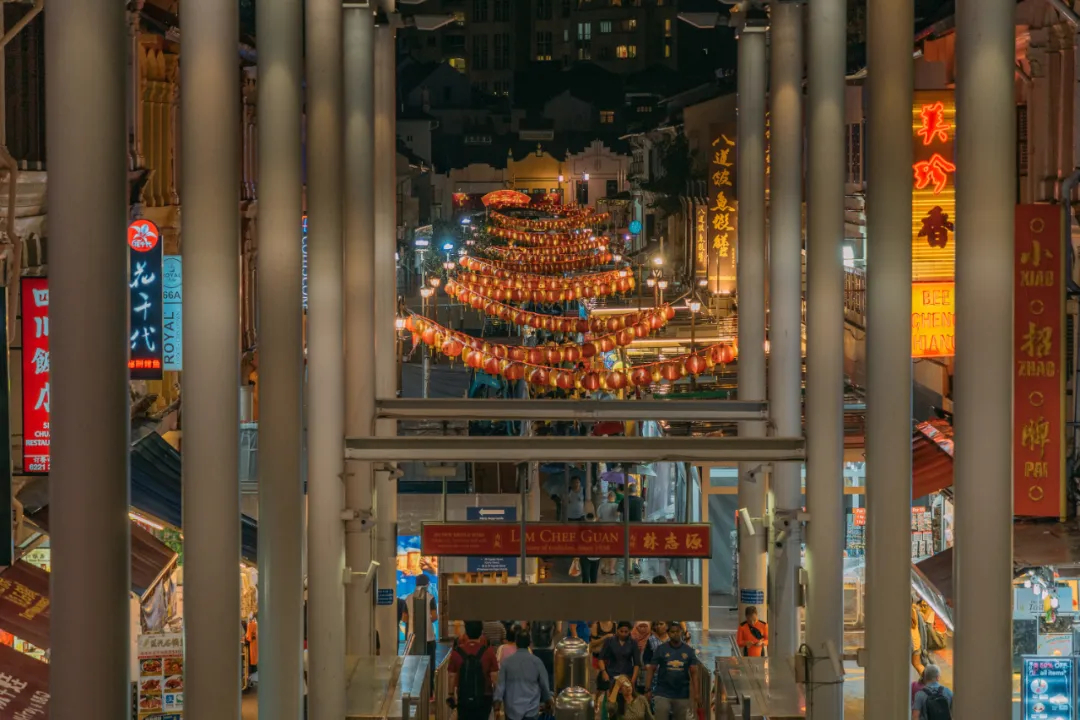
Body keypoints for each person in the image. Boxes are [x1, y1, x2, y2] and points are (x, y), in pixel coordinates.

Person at [646, 623, 699, 720]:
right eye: (672, 632)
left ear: (682, 632)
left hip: (682, 693)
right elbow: (651, 669)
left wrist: (696, 693)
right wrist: (648, 689)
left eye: (678, 631)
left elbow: (694, 673)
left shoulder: (689, 651)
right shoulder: (661, 649)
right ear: (668, 634)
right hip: (662, 693)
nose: (675, 634)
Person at [495, 632, 553, 720]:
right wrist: (548, 702)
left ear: (516, 643)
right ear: (529, 643)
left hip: (511, 711)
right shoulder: (537, 662)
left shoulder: (507, 662)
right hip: (531, 710)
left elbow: (500, 687)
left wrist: (497, 708)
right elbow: (544, 686)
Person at [449, 621, 500, 720]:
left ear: (466, 633)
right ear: (481, 633)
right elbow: (495, 679)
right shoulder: (488, 652)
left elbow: (451, 676)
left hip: (463, 697)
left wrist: (451, 694)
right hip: (484, 697)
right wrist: (497, 701)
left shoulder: (457, 652)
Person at [402, 574, 438, 687]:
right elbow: (434, 617)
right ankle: (430, 691)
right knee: (429, 665)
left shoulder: (407, 599)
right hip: (428, 637)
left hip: (412, 638)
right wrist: (427, 620)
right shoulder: (430, 597)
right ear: (427, 584)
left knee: (413, 665)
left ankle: (414, 689)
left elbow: (404, 618)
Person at [598, 621, 642, 693]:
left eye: (626, 632)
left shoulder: (633, 642)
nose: (623, 634)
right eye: (621, 631)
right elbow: (600, 658)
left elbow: (637, 663)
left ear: (629, 631)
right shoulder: (609, 641)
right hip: (611, 674)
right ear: (617, 630)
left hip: (627, 675)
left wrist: (633, 679)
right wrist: (603, 672)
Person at [623, 485, 645, 574]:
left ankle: (629, 567)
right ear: (636, 491)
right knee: (637, 544)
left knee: (628, 546)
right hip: (638, 526)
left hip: (626, 526)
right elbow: (643, 512)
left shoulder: (624, 500)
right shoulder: (640, 500)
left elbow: (618, 513)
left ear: (628, 491)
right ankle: (636, 563)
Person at [597, 492, 621, 575]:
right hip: (614, 531)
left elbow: (598, 518)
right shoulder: (617, 506)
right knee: (614, 550)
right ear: (614, 498)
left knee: (604, 549)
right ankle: (611, 569)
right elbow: (619, 517)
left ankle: (605, 567)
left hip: (603, 531)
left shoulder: (601, 506)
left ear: (608, 497)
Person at [529, 620, 557, 689]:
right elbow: (559, 629)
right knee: (549, 674)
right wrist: (550, 637)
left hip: (535, 647)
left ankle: (537, 694)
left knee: (536, 674)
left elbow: (524, 627)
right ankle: (549, 695)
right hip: (549, 648)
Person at [580, 513, 601, 583]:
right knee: (593, 578)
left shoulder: (582, 530)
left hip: (587, 555)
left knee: (587, 577)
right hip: (594, 556)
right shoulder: (598, 530)